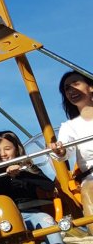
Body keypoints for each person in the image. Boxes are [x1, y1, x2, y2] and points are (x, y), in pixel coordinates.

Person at [51, 71, 93, 233]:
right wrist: (60, 151)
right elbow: (65, 151)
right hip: (91, 176)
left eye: (76, 84)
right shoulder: (69, 127)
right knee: (89, 189)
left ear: (90, 87)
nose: (71, 90)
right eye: (67, 88)